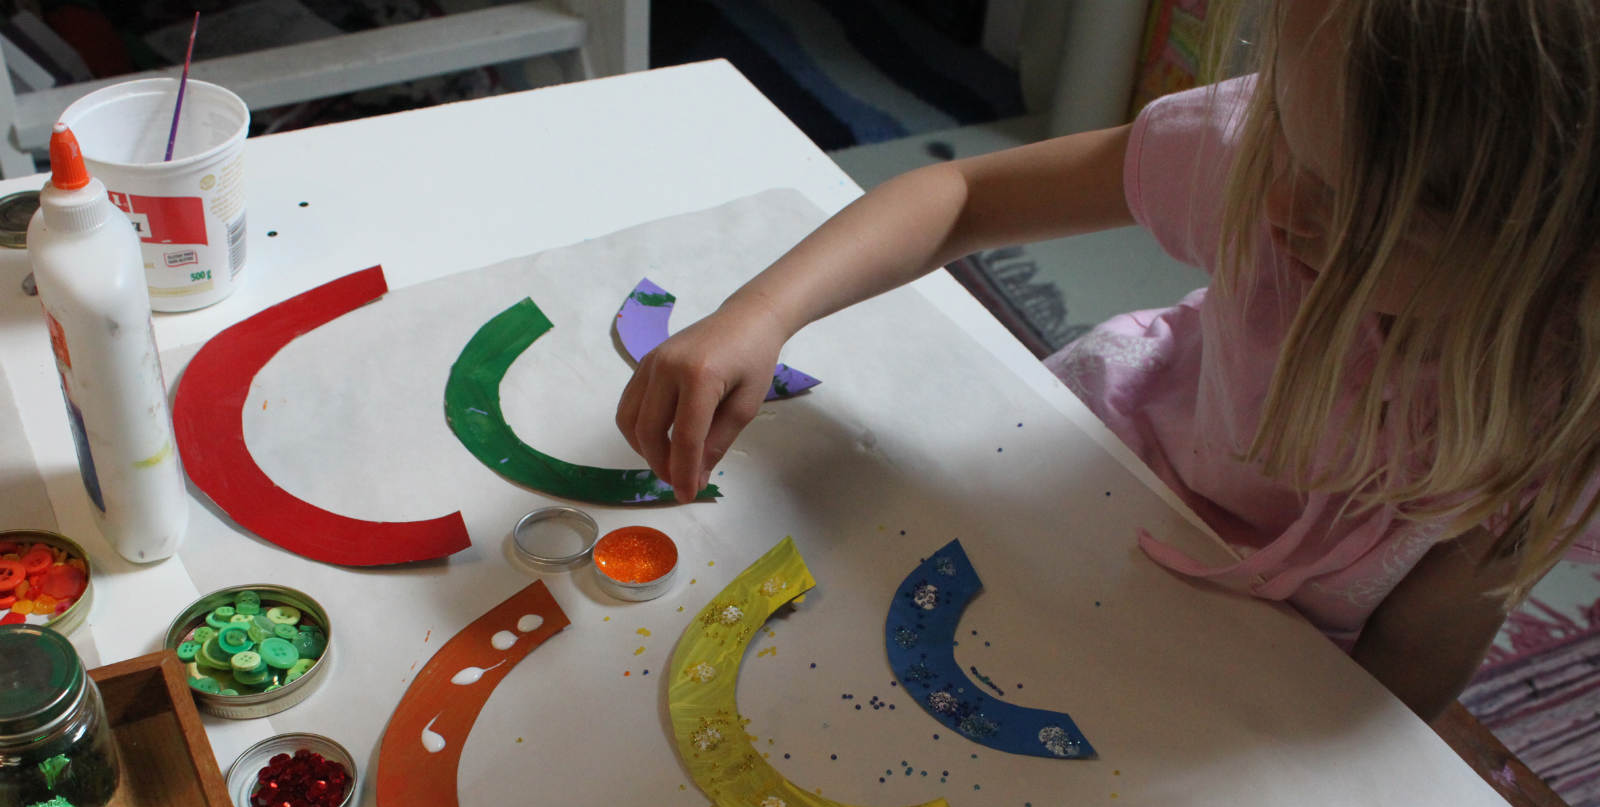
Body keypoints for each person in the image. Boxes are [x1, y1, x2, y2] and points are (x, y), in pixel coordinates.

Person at [615, 0, 1600, 719]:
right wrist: (759, 314)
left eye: (1352, 210)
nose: (1278, 204)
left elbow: (1411, 661)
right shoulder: (1260, 163)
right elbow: (962, 198)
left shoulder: (1562, 411)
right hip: (1101, 466)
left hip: (1273, 643)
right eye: (1282, 132)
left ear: (1543, 249)